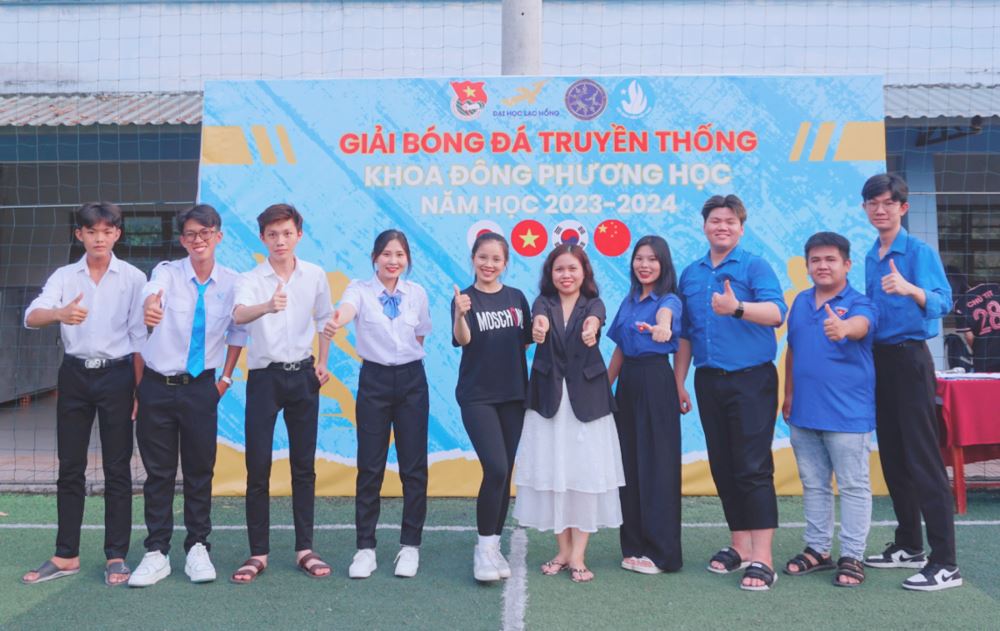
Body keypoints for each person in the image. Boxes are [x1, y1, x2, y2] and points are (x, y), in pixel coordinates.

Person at [21, 201, 147, 586]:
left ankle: (116, 555)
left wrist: (139, 389)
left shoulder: (134, 278)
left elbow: (139, 338)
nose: (99, 238)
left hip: (118, 376)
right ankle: (66, 555)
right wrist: (59, 314)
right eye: (91, 231)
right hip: (75, 375)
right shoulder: (64, 277)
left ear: (117, 234)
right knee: (70, 467)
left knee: (117, 468)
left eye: (107, 231)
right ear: (79, 235)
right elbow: (31, 316)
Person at [127, 204, 247, 587]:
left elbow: (238, 332)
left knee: (199, 472)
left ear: (218, 237)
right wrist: (151, 305)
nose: (199, 240)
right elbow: (153, 292)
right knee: (159, 474)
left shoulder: (233, 282)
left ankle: (198, 546)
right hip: (157, 387)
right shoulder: (167, 272)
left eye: (206, 233)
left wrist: (224, 380)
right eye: (192, 234)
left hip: (201, 388)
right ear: (182, 240)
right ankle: (156, 551)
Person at [674, 194, 787, 591]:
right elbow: (686, 334)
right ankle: (740, 546)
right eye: (715, 221)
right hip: (709, 379)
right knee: (723, 464)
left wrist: (737, 307)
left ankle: (763, 558)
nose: (722, 227)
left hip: (751, 379)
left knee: (753, 467)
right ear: (704, 226)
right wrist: (678, 381)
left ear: (741, 228)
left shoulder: (754, 265)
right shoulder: (691, 273)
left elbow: (776, 313)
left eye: (729, 222)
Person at [860, 173, 962, 591]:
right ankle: (909, 545)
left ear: (903, 207)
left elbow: (944, 301)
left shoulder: (918, 252)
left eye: (888, 202)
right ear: (865, 208)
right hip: (879, 361)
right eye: (873, 203)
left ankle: (946, 563)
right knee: (894, 457)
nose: (880, 209)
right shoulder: (871, 255)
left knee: (923, 459)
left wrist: (911, 289)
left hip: (910, 360)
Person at [230, 203, 334, 583]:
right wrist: (267, 306)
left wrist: (323, 362)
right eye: (272, 234)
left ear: (299, 235)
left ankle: (305, 549)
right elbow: (238, 315)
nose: (280, 241)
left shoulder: (315, 275)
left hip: (304, 376)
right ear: (262, 238)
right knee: (257, 467)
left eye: (287, 233)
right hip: (265, 379)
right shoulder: (251, 278)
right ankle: (258, 553)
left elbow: (325, 319)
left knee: (303, 467)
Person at [513, 244, 625, 584]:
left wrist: (591, 329)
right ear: (551, 273)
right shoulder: (541, 303)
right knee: (553, 473)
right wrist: (538, 329)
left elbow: (595, 320)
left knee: (585, 474)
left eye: (572, 269)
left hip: (587, 402)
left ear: (584, 273)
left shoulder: (594, 304)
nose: (566, 275)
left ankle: (578, 555)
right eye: (559, 269)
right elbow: (539, 320)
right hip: (548, 401)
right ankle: (562, 551)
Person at [324, 229, 432, 579]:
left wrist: (403, 361)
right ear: (375, 258)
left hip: (412, 381)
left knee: (413, 468)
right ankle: (365, 548)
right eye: (386, 254)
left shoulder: (417, 294)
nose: (393, 261)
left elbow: (420, 334)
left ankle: (410, 546)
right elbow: (347, 310)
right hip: (374, 381)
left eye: (399, 255)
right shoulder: (359, 289)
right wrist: (337, 319)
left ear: (407, 259)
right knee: (370, 467)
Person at [781, 232, 876, 588]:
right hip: (804, 412)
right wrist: (789, 394)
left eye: (830, 259)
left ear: (846, 265)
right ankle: (818, 550)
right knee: (814, 484)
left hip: (848, 415)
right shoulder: (801, 302)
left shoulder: (860, 303)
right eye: (816, 260)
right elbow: (792, 350)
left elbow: (861, 326)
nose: (822, 266)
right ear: (807, 266)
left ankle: (852, 555)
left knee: (853, 486)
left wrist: (844, 327)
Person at [451, 232, 531, 582]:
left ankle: (493, 545)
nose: (489, 264)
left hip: (513, 395)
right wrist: (460, 315)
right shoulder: (464, 299)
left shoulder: (516, 297)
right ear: (473, 258)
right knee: (496, 468)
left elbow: (526, 341)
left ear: (505, 263)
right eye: (483, 257)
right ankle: (483, 550)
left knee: (505, 471)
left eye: (496, 259)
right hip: (477, 397)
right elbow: (463, 339)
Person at [606, 235, 683, 575]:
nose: (645, 265)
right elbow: (620, 348)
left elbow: (666, 317)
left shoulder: (669, 300)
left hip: (655, 381)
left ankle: (662, 554)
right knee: (629, 465)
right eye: (639, 258)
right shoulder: (629, 301)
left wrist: (663, 327)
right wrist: (603, 388)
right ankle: (634, 546)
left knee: (657, 465)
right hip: (629, 383)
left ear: (663, 264)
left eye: (652, 259)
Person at [954, 282, 1000, 373]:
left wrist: (978, 350)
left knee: (987, 382)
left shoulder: (960, 304)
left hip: (984, 355)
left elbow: (969, 337)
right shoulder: (994, 287)